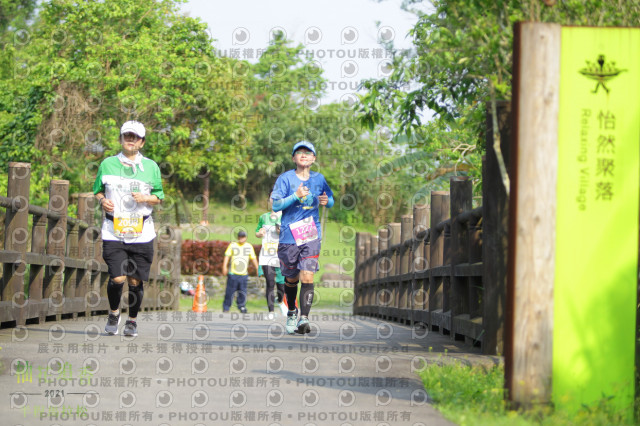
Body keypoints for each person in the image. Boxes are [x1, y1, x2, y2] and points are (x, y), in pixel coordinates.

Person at [94, 120, 164, 337]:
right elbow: (97, 191)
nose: (130, 140)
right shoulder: (107, 164)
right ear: (121, 139)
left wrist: (146, 198)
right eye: (127, 136)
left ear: (141, 142)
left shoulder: (151, 167)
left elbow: (159, 196)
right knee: (117, 278)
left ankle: (132, 320)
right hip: (113, 229)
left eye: (135, 137)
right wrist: (102, 200)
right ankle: (114, 313)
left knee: (135, 281)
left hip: (142, 232)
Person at [271, 140, 334, 334]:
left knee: (307, 275)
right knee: (291, 279)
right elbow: (275, 205)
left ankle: (304, 319)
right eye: (299, 152)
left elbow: (329, 200)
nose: (304, 155)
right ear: (293, 158)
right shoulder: (285, 179)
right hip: (289, 236)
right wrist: (295, 196)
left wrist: (327, 201)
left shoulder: (319, 179)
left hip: (310, 233)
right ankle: (292, 311)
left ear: (314, 158)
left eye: (308, 152)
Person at [255, 196, 286, 320]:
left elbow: (289, 233)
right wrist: (260, 233)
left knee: (281, 283)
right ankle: (271, 311)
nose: (274, 200)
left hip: (280, 254)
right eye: (271, 198)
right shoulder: (263, 217)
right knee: (270, 282)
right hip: (266, 254)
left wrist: (281, 231)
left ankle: (281, 302)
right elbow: (257, 232)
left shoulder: (285, 216)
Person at [222, 230, 259, 313]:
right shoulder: (233, 245)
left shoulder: (248, 246)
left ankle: (241, 306)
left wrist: (257, 268)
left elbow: (253, 258)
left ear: (245, 237)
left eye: (243, 237)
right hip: (233, 273)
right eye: (240, 237)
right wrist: (224, 267)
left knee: (242, 291)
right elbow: (227, 256)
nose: (241, 238)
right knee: (229, 291)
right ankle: (226, 307)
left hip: (243, 274)